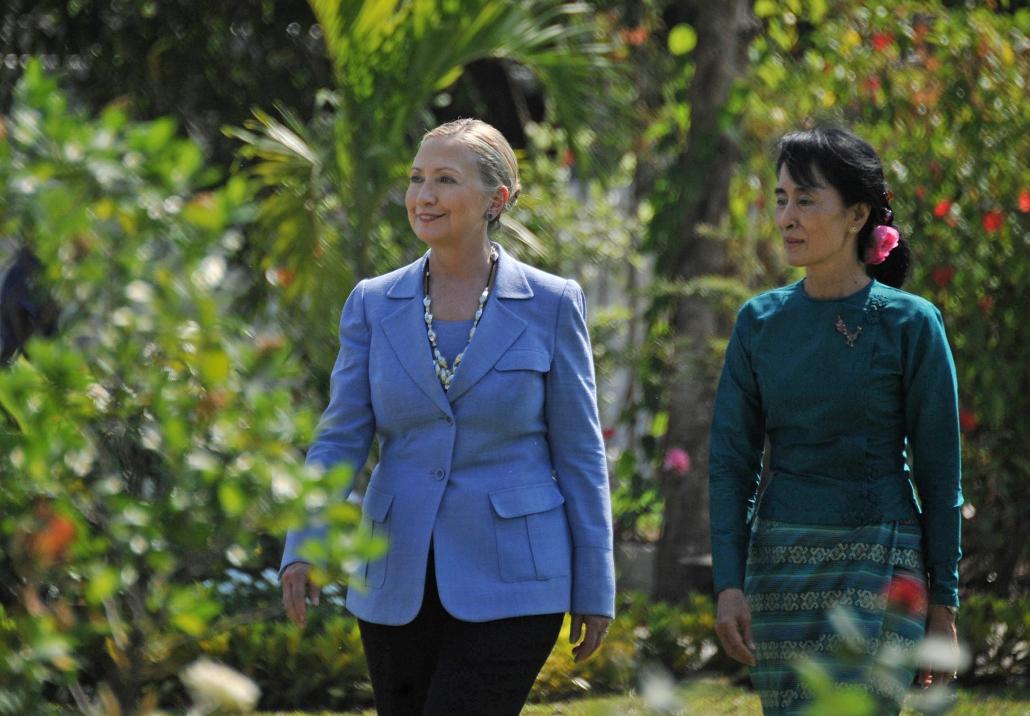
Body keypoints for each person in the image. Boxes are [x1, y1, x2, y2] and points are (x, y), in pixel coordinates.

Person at [279, 118, 615, 716]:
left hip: (516, 580)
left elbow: (580, 455)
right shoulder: (372, 304)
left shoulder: (552, 304)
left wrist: (595, 586)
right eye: (416, 179)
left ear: (497, 199)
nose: (423, 196)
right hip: (394, 574)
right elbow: (340, 438)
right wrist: (304, 540)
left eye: (444, 180)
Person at [709, 127, 962, 714]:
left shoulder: (912, 324)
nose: (786, 217)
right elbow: (731, 464)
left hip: (883, 563)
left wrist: (944, 603)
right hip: (779, 573)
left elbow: (940, 471)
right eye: (780, 199)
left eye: (805, 199)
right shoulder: (758, 324)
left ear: (856, 215)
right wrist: (729, 582)